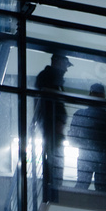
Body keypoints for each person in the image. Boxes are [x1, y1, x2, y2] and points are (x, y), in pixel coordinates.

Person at [67, 83, 106, 192]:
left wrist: (87, 143)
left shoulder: (81, 114)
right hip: (102, 158)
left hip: (87, 156)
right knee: (100, 190)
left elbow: (73, 138)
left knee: (82, 186)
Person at [33, 53, 71, 199]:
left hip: (53, 123)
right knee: (54, 157)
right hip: (52, 123)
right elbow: (47, 101)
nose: (66, 69)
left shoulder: (50, 77)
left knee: (55, 157)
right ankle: (53, 191)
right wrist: (56, 121)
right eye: (65, 65)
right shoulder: (48, 77)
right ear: (57, 61)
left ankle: (54, 190)